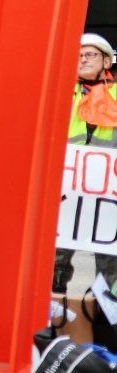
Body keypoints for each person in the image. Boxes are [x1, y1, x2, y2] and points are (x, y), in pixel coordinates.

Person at [57, 34, 117, 294]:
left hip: (107, 192)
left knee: (108, 259)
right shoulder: (62, 94)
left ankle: (103, 312)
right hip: (66, 189)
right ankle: (53, 307)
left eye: (90, 54)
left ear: (106, 60)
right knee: (56, 256)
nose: (83, 59)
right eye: (79, 56)